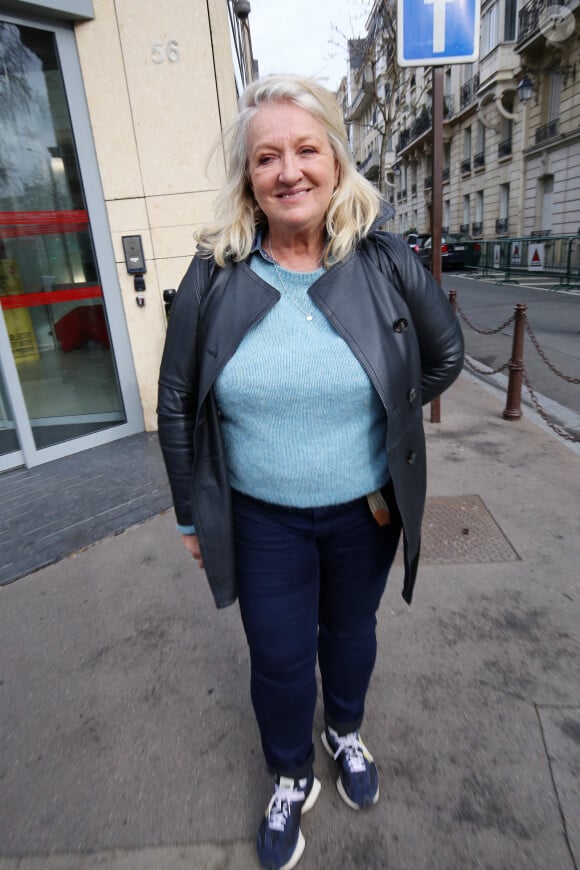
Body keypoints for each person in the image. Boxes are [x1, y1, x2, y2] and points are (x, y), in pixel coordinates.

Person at [157, 74, 464, 870]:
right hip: (261, 517)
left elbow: (443, 358)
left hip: (366, 508)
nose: (288, 171)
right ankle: (292, 774)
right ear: (249, 178)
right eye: (267, 157)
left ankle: (345, 730)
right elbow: (178, 397)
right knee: (280, 656)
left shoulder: (385, 259)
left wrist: (388, 416)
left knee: (350, 634)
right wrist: (192, 514)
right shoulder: (216, 272)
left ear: (335, 158)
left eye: (305, 149)